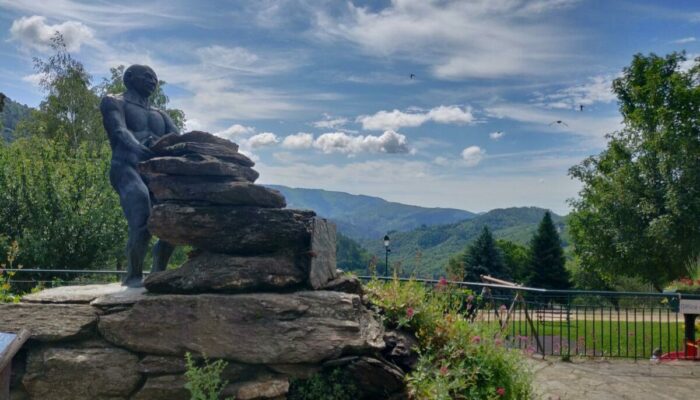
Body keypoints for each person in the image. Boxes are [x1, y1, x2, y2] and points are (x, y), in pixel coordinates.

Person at [100, 65, 178, 286]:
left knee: (174, 218)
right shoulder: (114, 101)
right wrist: (143, 149)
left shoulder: (161, 114)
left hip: (155, 174)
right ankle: (133, 275)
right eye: (146, 76)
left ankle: (158, 274)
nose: (152, 80)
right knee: (141, 216)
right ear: (129, 78)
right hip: (126, 168)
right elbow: (119, 132)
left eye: (155, 77)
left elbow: (179, 139)